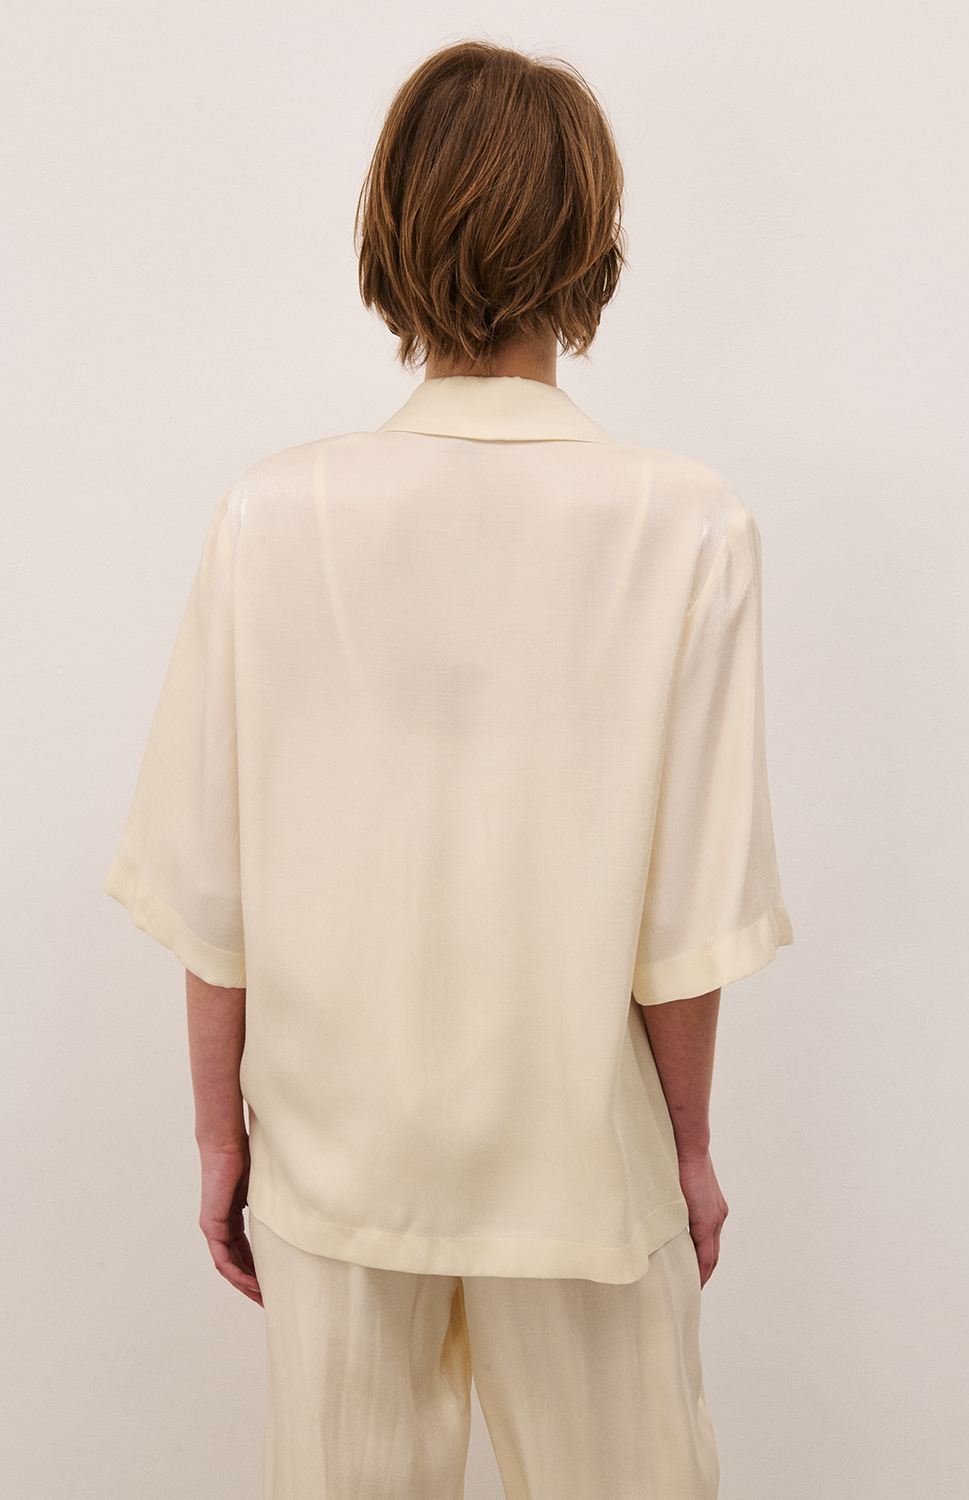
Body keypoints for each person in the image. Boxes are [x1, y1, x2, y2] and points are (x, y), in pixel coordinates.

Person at [105, 38, 793, 1500]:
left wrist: (219, 1139)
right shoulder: (688, 525)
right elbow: (686, 921)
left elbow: (212, 891)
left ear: (390, 231)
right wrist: (688, 1146)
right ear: (592, 240)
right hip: (583, 1160)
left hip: (335, 1158)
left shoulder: (271, 515)